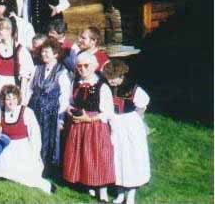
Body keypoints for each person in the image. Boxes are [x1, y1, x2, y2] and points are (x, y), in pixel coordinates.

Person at [63, 53, 115, 202]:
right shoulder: (75, 83)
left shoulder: (101, 86)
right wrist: (69, 110)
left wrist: (90, 118)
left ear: (94, 66)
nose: (82, 69)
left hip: (96, 126)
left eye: (86, 66)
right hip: (79, 124)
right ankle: (89, 185)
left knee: (98, 156)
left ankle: (103, 192)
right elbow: (70, 102)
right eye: (79, 66)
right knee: (83, 156)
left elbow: (108, 112)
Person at [103, 60, 150, 204]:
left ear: (120, 76)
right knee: (117, 158)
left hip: (130, 126)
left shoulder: (133, 89)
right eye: (108, 77)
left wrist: (135, 119)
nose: (110, 81)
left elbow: (143, 104)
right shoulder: (107, 87)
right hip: (115, 125)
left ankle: (131, 195)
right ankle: (120, 193)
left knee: (131, 159)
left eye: (112, 78)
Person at [0, 85, 53, 194]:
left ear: (18, 98)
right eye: (8, 99)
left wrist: (35, 154)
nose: (11, 102)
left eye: (14, 98)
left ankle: (47, 186)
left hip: (24, 148)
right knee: (3, 171)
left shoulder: (27, 112)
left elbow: (35, 135)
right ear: (3, 100)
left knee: (26, 175)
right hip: (6, 147)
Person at [26, 39, 72, 176]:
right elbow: (29, 89)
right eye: (42, 51)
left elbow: (65, 96)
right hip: (34, 107)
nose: (43, 54)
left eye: (47, 51)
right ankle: (32, 163)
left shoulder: (61, 72)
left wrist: (59, 115)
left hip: (50, 111)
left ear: (56, 54)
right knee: (33, 134)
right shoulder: (37, 68)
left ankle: (46, 168)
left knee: (47, 138)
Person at [0, 18, 35, 122]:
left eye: (3, 29)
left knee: (10, 115)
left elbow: (25, 77)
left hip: (11, 85)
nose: (0, 32)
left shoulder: (20, 50)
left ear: (11, 31)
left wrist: (21, 95)